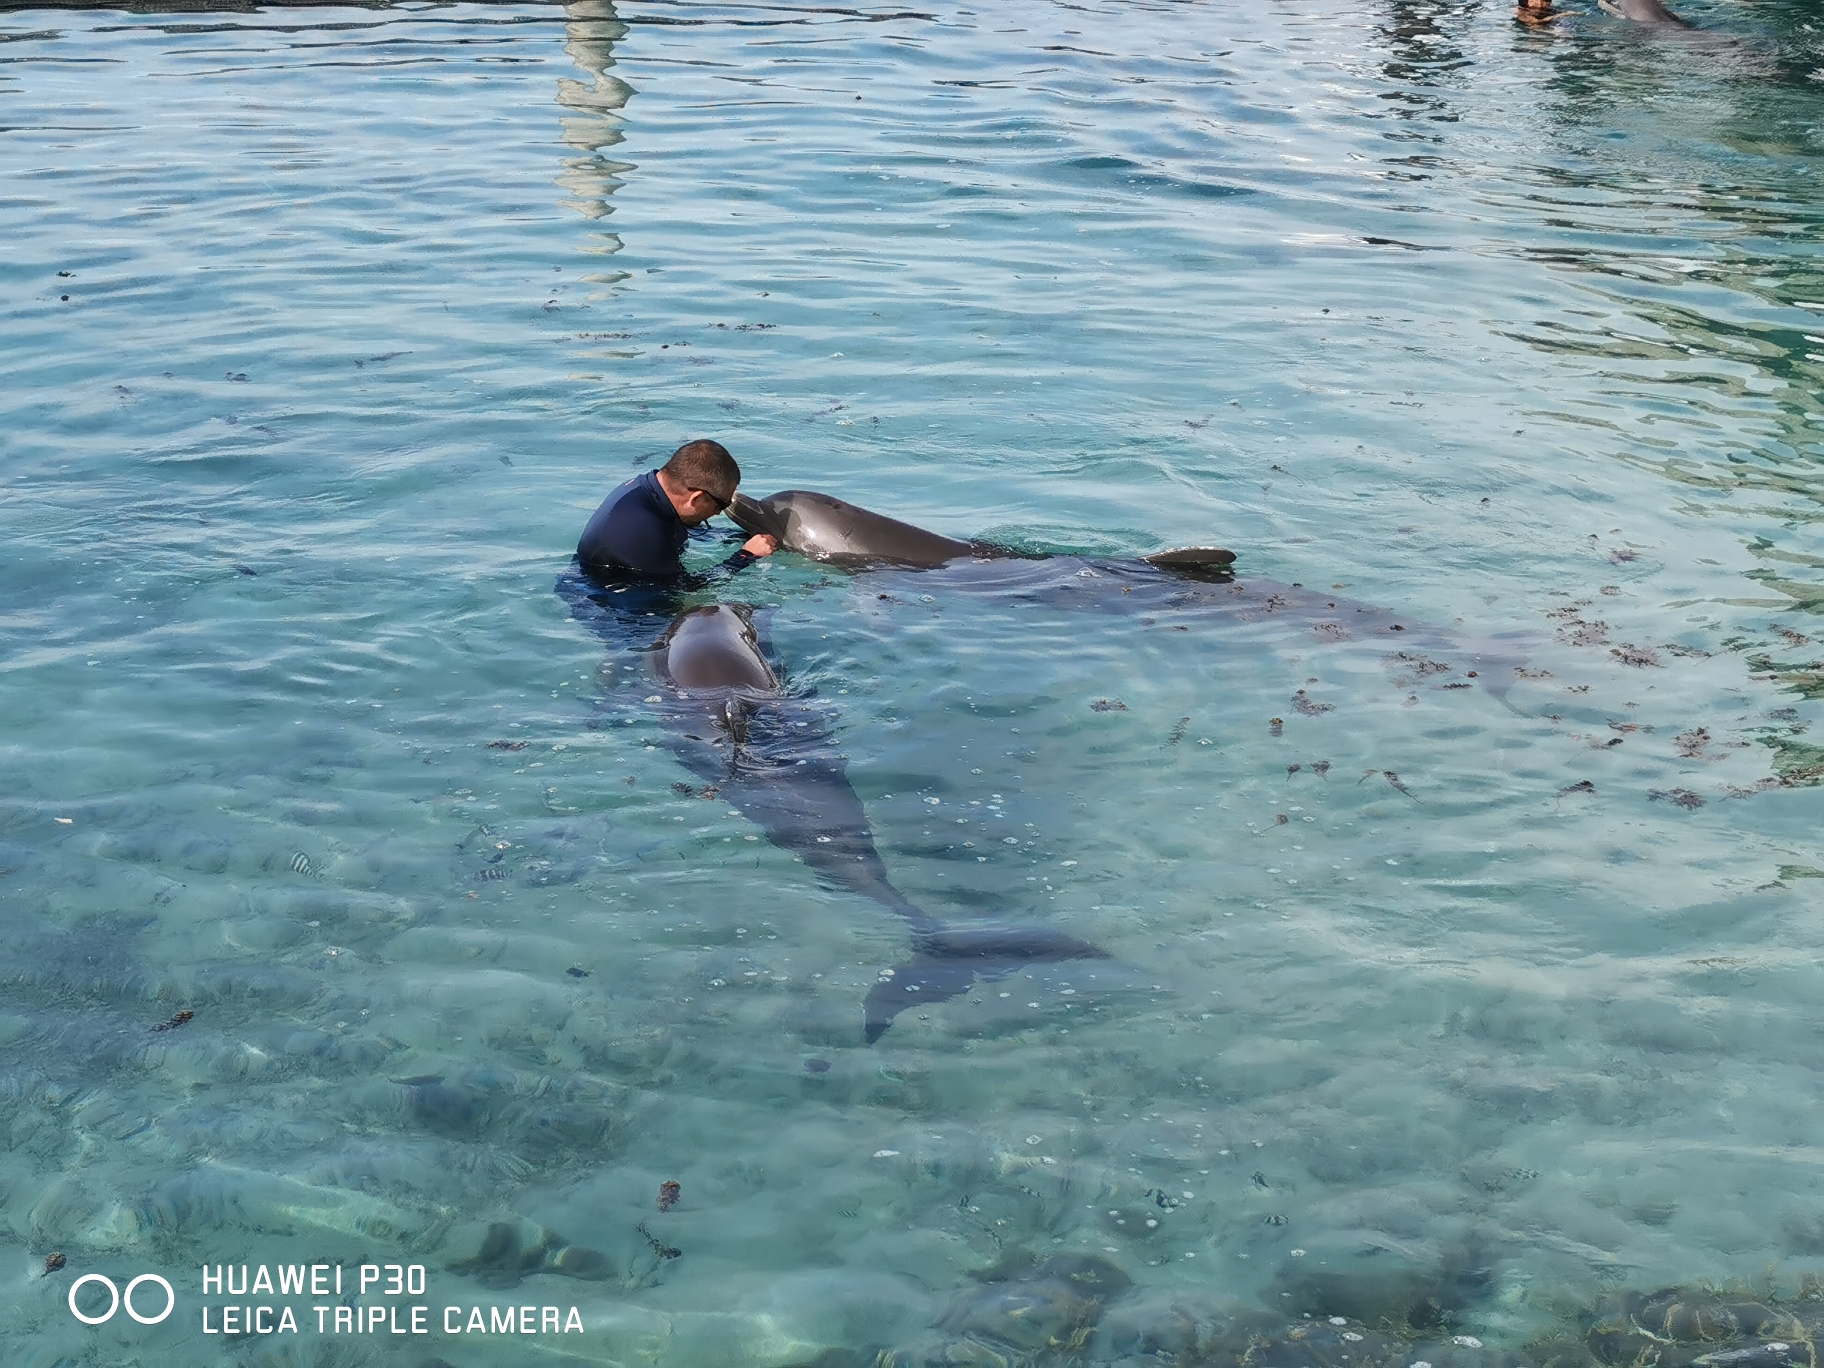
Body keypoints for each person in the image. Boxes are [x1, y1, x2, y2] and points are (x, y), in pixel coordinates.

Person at [575, 438, 777, 585]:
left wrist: (735, 537)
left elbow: (678, 528)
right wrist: (745, 557)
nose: (717, 514)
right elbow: (685, 588)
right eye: (720, 505)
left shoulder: (647, 490)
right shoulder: (645, 532)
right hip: (613, 610)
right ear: (696, 498)